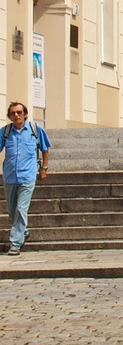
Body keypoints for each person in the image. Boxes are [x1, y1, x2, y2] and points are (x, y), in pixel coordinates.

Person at [1, 102, 51, 255]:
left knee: (21, 208)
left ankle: (15, 244)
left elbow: (45, 149)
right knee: (11, 211)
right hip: (10, 177)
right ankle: (23, 232)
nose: (16, 115)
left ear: (25, 114)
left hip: (27, 176)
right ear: (9, 116)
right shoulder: (5, 132)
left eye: (19, 112)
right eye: (13, 113)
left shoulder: (35, 130)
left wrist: (44, 168)